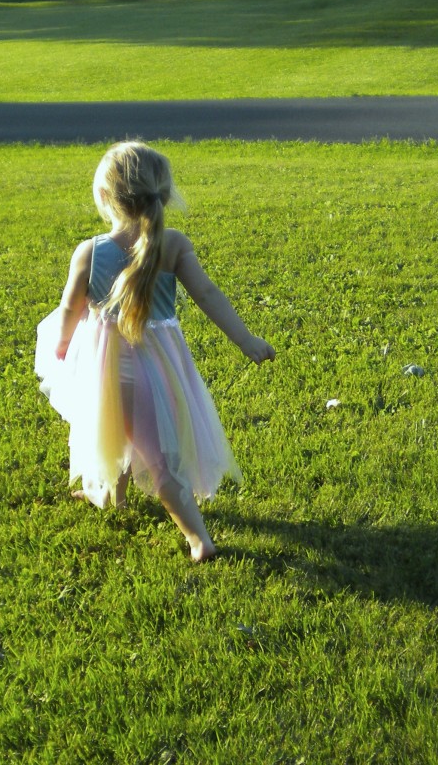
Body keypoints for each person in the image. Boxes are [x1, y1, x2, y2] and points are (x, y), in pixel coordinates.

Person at [35, 141, 275, 562]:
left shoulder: (89, 252)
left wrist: (62, 342)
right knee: (128, 433)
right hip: (164, 369)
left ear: (106, 197)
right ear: (163, 194)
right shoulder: (175, 244)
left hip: (110, 369)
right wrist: (246, 339)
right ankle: (110, 495)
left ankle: (199, 540)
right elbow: (207, 293)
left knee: (156, 457)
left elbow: (70, 307)